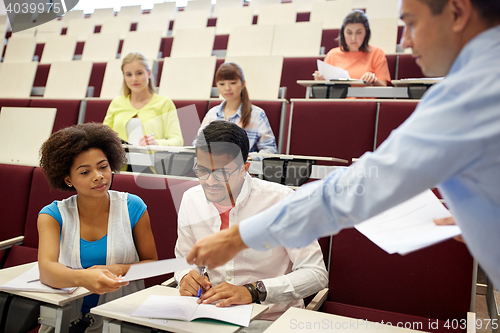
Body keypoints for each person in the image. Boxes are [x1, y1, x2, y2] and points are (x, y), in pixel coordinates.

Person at [185, 0, 500, 291]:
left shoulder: (473, 92)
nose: (405, 42)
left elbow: (360, 187)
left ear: (457, 13)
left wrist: (239, 237)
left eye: (412, 23)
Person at [175, 121, 327, 329]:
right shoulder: (191, 199)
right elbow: (184, 258)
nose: (209, 181)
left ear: (244, 168)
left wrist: (254, 291)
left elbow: (316, 273)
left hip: (270, 320)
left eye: (222, 173)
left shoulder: (282, 202)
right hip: (211, 314)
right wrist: (185, 276)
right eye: (202, 170)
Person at [37, 123, 158, 332]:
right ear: (68, 179)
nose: (98, 176)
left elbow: (151, 264)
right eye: (85, 172)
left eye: (103, 167)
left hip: (121, 317)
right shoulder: (52, 215)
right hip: (67, 315)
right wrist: (84, 277)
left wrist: (116, 270)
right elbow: (46, 271)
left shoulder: (133, 206)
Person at [103, 52, 183, 147]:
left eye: (139, 73)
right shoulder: (116, 103)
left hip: (153, 160)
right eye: (129, 74)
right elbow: (104, 137)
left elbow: (178, 141)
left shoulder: (164, 103)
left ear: (149, 73)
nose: (134, 79)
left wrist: (157, 143)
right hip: (121, 161)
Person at [196, 62, 278, 156]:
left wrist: (250, 159)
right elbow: (198, 144)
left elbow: (270, 149)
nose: (227, 88)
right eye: (222, 84)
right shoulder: (212, 113)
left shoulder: (257, 114)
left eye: (233, 83)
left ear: (243, 84)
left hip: (244, 167)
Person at [314, 10, 391, 86]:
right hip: (339, 98)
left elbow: (383, 89)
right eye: (349, 33)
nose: (353, 38)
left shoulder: (376, 53)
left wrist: (373, 80)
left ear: (366, 32)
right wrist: (319, 81)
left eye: (359, 33)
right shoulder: (332, 54)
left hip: (366, 98)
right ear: (343, 32)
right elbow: (324, 89)